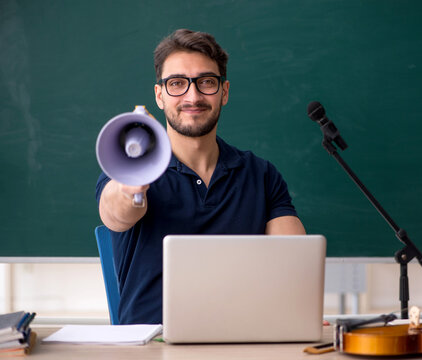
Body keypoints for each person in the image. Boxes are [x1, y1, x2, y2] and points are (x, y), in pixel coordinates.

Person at [96, 29, 306, 324]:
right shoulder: (125, 170)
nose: (192, 96)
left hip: (244, 339)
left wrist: (298, 304)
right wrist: (133, 183)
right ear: (159, 95)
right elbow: (115, 214)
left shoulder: (261, 174)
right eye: (177, 84)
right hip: (153, 344)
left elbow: (296, 265)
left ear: (224, 92)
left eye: (207, 82)